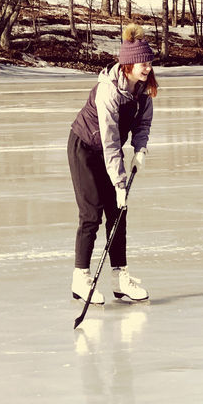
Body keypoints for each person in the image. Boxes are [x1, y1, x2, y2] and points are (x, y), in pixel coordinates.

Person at [68, 22, 157, 305]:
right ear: (128, 63)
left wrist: (140, 150)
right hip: (85, 148)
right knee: (92, 213)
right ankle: (80, 278)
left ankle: (120, 278)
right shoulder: (108, 91)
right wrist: (119, 182)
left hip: (109, 151)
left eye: (149, 61)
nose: (147, 67)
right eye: (142, 62)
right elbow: (109, 140)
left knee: (118, 214)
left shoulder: (144, 90)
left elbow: (143, 124)